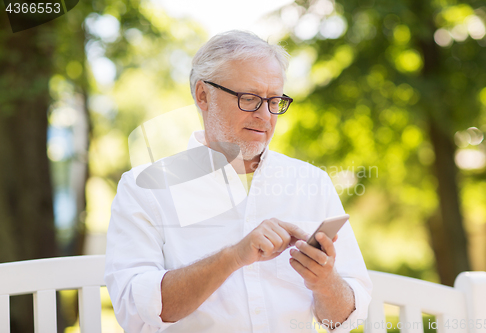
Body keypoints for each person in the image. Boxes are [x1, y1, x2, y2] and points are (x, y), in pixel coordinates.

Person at [104, 30, 372, 333]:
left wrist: (325, 283)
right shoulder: (145, 187)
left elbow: (346, 317)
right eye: (249, 99)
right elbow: (135, 311)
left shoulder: (311, 182)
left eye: (274, 101)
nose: (265, 115)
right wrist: (234, 256)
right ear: (203, 95)